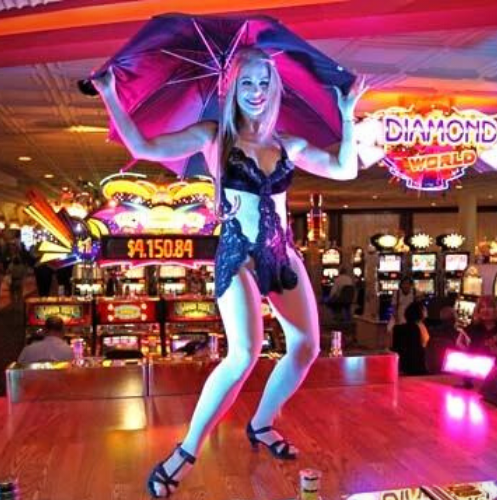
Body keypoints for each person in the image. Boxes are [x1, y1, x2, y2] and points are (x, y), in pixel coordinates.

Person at [94, 47, 367, 498]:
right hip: (238, 251)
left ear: (274, 88)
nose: (257, 92)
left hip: (280, 252)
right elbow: (142, 146)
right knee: (244, 352)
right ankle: (184, 452)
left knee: (306, 346)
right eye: (247, 83)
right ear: (232, 88)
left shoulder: (288, 145)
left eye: (264, 83)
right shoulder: (214, 137)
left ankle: (261, 423)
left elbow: (345, 168)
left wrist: (348, 114)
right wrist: (109, 94)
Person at [391, 301, 430, 375]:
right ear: (419, 312)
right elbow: (423, 346)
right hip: (418, 364)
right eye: (424, 309)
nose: (426, 311)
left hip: (404, 364)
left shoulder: (400, 328)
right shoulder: (418, 327)